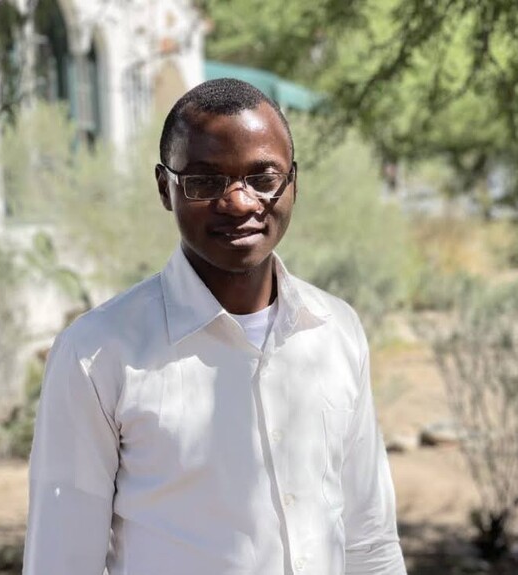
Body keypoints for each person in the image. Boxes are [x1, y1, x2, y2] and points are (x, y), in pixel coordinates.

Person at [23, 78, 406, 575]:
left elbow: (369, 536)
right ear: (166, 188)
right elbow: (61, 560)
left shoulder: (336, 330)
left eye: (263, 178)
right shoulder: (98, 353)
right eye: (205, 182)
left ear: (294, 181)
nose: (241, 202)